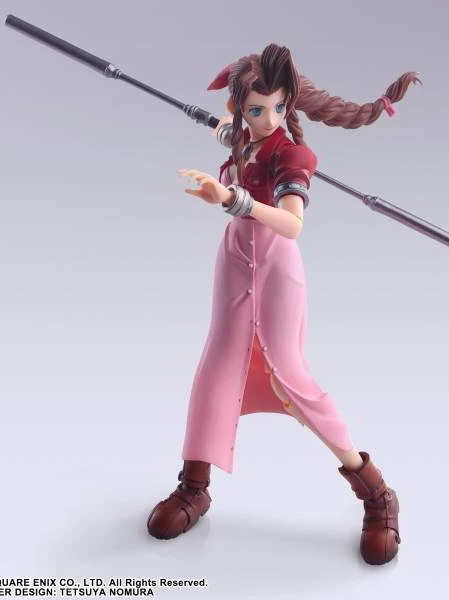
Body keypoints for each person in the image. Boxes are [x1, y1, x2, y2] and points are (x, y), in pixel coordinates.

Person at [147, 43, 419, 565]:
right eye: (255, 109)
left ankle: (376, 492)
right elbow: (228, 137)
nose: (268, 119)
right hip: (234, 263)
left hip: (276, 269)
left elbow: (292, 224)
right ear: (238, 107)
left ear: (288, 103)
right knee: (216, 367)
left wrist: (233, 199)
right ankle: (194, 485)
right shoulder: (241, 139)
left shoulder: (293, 156)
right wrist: (226, 138)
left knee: (290, 378)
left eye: (276, 107)